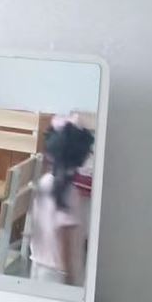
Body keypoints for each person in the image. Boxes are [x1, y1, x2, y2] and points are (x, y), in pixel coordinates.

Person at [29, 114, 94, 285]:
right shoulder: (69, 193)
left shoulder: (44, 183)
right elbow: (65, 240)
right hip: (59, 274)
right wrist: (70, 277)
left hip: (37, 265)